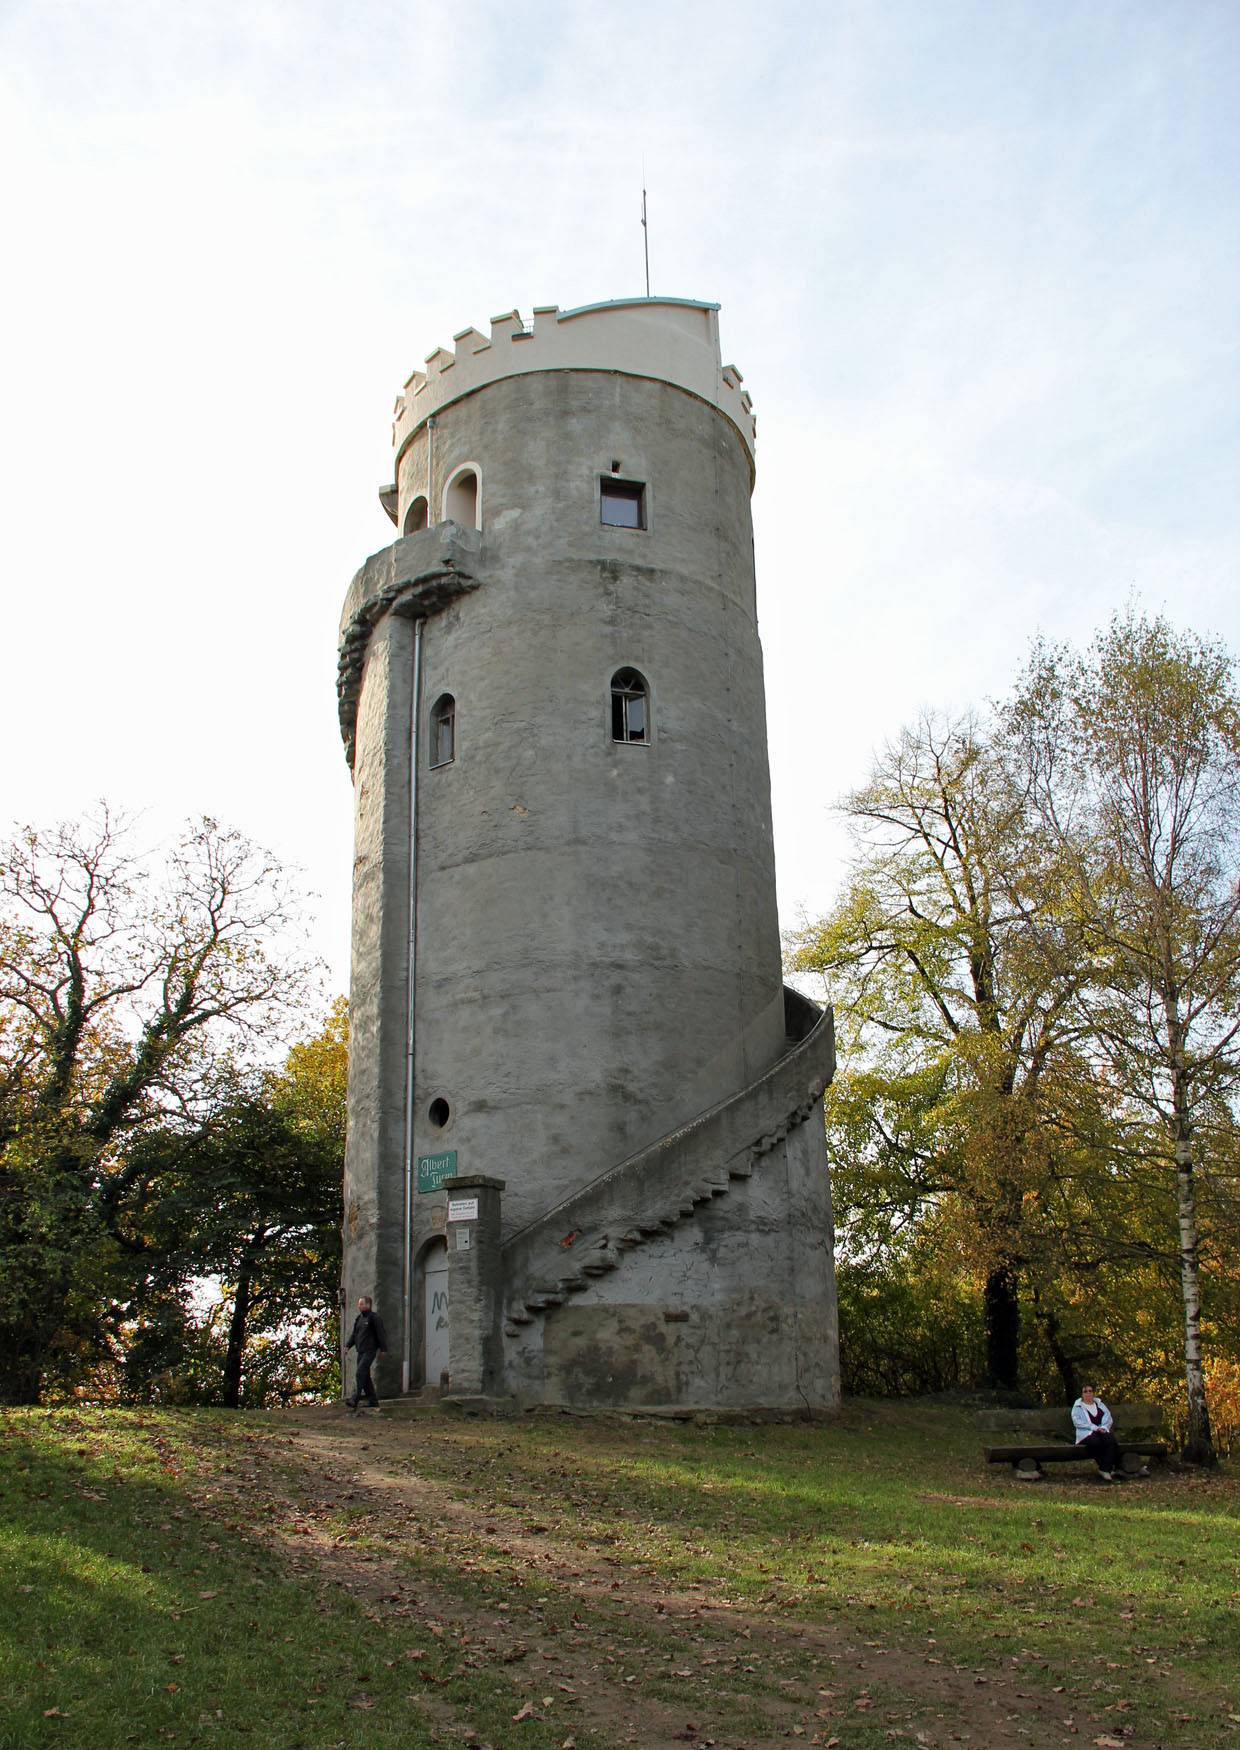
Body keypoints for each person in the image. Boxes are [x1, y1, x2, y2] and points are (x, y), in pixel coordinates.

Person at [1071, 1383, 1128, 1480]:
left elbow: (1108, 1417)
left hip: (1102, 1431)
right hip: (1086, 1433)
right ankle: (1108, 1469)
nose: (1088, 1393)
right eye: (1085, 1391)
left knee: (1111, 1440)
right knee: (1096, 1442)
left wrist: (1104, 1427)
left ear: (1093, 1393)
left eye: (1090, 1391)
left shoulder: (1100, 1404)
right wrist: (1094, 1428)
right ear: (1082, 1394)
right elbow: (1077, 1422)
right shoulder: (1078, 1407)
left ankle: (1105, 1469)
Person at [345, 1295, 388, 1414]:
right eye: (359, 1304)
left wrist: (383, 1349)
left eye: (362, 1304)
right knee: (365, 1376)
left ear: (368, 1305)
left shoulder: (374, 1318)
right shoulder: (359, 1319)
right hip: (361, 1351)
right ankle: (373, 1400)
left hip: (370, 1350)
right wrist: (347, 1346)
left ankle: (355, 1398)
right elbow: (354, 1335)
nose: (360, 1306)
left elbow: (381, 1334)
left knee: (360, 1372)